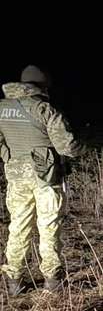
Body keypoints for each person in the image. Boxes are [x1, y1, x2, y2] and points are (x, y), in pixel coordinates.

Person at [0, 65, 83, 295]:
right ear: (42, 86)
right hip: (46, 177)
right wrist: (80, 148)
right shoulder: (44, 109)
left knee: (18, 226)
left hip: (16, 177)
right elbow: (66, 146)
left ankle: (13, 281)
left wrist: (13, 159)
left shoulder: (1, 108)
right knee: (48, 227)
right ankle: (52, 281)